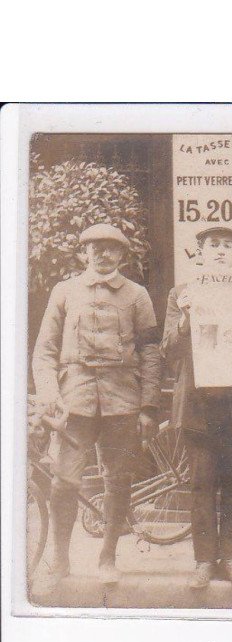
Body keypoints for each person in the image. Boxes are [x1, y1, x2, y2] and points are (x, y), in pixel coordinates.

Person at [32, 223, 162, 586]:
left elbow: (151, 352)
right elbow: (44, 351)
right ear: (83, 253)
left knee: (118, 481)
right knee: (64, 482)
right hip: (73, 399)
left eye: (112, 249)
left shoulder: (137, 295)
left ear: (122, 255)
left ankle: (108, 556)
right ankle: (60, 556)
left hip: (123, 399)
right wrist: (48, 394)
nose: (103, 255)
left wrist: (149, 406)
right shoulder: (64, 292)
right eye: (95, 248)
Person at [162, 225, 232, 589]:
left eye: (228, 246)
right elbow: (168, 352)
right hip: (199, 407)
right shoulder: (182, 294)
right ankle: (204, 561)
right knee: (202, 485)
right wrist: (186, 320)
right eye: (213, 245)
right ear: (201, 253)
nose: (221, 251)